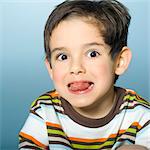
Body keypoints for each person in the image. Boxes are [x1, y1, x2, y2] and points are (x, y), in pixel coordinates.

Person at [19, 0, 150, 149]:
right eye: (63, 56)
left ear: (119, 61)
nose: (76, 68)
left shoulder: (140, 114)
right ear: (50, 68)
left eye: (92, 54)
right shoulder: (45, 111)